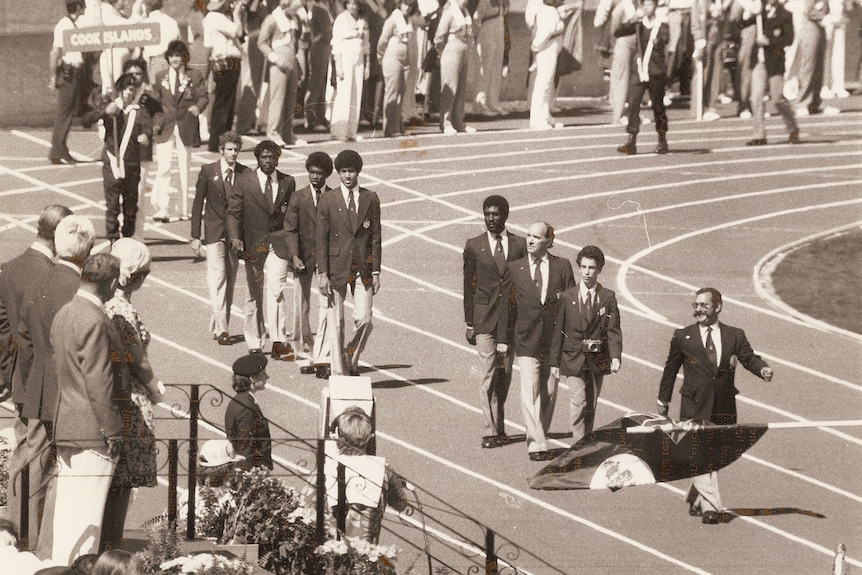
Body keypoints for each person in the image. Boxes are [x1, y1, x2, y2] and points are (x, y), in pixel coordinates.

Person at [657, 287, 775, 524]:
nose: (698, 309)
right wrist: (663, 400)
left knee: (715, 455)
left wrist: (762, 368)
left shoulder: (734, 335)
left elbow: (748, 358)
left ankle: (695, 495)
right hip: (694, 405)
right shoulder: (683, 336)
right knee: (702, 453)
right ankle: (712, 507)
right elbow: (670, 370)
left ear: (718, 307)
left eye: (704, 305)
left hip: (723, 405)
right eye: (696, 305)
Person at [13, 215, 95, 555]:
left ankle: (24, 538)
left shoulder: (39, 284)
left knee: (33, 469)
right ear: (88, 249)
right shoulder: (81, 292)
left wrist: (31, 390)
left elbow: (25, 341)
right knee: (67, 475)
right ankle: (51, 548)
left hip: (39, 391)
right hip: (74, 397)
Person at [49, 253, 125, 564]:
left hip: (66, 424)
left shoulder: (66, 312)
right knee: (87, 517)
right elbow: (100, 383)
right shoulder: (94, 319)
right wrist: (114, 430)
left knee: (68, 514)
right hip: (92, 431)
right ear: (111, 282)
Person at [101, 239, 162, 551]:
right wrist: (156, 390)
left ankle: (109, 543)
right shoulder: (121, 308)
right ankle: (111, 545)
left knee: (116, 480)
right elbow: (138, 360)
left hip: (116, 396)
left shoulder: (106, 302)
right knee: (122, 482)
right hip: (132, 402)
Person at [496, 222, 575, 461]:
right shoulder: (515, 268)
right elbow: (505, 306)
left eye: (537, 237)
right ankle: (537, 443)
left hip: (553, 342)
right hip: (526, 339)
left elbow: (571, 306)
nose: (530, 240)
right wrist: (502, 339)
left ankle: (540, 431)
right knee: (530, 391)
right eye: (529, 236)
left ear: (549, 242)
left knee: (549, 392)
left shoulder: (562, 267)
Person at [462, 195, 526, 449]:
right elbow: (469, 285)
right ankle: (489, 430)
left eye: (495, 214)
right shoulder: (474, 245)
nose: (490, 219)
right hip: (485, 320)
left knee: (505, 373)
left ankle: (499, 425)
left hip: (511, 320)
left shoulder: (520, 245)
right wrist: (469, 322)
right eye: (487, 214)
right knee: (488, 372)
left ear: (505, 216)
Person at [227, 140, 296, 358]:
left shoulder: (287, 182)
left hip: (278, 244)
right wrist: (235, 237)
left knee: (276, 292)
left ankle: (278, 341)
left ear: (277, 158)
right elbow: (234, 212)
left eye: (271, 157)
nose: (268, 161)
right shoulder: (244, 180)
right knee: (253, 293)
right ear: (257, 159)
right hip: (252, 244)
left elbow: (292, 217)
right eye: (263, 157)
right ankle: (254, 341)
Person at [316, 150, 382, 377]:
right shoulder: (328, 199)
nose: (347, 176)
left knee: (364, 318)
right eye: (343, 172)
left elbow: (375, 236)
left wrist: (376, 271)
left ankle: (351, 353)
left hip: (363, 267)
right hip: (336, 266)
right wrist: (322, 272)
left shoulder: (370, 198)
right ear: (337, 173)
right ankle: (338, 371)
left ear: (358, 172)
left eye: (351, 171)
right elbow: (321, 238)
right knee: (336, 323)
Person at [549, 245, 622, 444]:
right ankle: (578, 445)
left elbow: (613, 329)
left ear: (599, 269)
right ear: (578, 268)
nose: (587, 272)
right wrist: (554, 363)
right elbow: (558, 332)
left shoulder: (608, 297)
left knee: (590, 404)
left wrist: (615, 356)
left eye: (592, 268)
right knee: (578, 401)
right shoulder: (567, 297)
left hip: (597, 359)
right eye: (583, 267)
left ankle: (585, 442)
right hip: (573, 358)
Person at [0, 205, 72, 403]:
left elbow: (3, 327)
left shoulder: (9, 267)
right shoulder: (51, 276)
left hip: (18, 377)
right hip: (43, 385)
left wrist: (6, 376)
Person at [191, 131, 249, 345]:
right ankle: (223, 329)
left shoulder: (245, 173)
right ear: (221, 150)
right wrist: (195, 236)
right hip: (214, 233)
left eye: (236, 150)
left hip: (235, 236)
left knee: (231, 281)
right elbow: (198, 204)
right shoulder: (208, 171)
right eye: (229, 150)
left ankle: (218, 323)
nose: (233, 154)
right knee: (218, 279)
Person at [327, 406, 409, 543]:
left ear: (337, 436)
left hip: (328, 549)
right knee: (385, 562)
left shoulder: (326, 465)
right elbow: (400, 504)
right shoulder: (383, 468)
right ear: (369, 438)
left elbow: (307, 503)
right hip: (366, 552)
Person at [151, 40, 209, 222]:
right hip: (165, 126)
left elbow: (203, 96)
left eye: (178, 56)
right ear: (168, 58)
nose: (175, 59)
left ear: (184, 58)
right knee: (163, 167)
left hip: (186, 124)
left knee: (185, 167)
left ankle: (183, 209)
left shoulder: (195, 75)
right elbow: (155, 101)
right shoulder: (161, 76)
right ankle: (162, 208)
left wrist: (197, 108)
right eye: (172, 56)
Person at [285, 151, 334, 363]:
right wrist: (294, 255)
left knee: (326, 303)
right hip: (303, 258)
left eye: (319, 173)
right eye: (311, 172)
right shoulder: (298, 197)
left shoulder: (333, 197)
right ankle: (302, 345)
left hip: (326, 260)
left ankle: (324, 346)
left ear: (327, 174)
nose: (314, 177)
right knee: (301, 304)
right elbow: (290, 229)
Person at [97, 73, 150, 242]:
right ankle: (112, 238)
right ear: (120, 90)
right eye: (127, 89)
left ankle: (127, 237)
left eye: (132, 90)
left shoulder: (138, 112)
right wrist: (106, 112)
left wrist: (146, 134)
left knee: (130, 206)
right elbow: (87, 118)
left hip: (131, 165)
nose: (129, 93)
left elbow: (148, 127)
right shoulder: (112, 108)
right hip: (112, 162)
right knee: (112, 205)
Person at [615, 0, 670, 155]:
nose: (647, 8)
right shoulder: (639, 24)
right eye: (644, 5)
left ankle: (662, 139)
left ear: (655, 7)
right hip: (639, 70)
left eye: (650, 5)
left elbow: (666, 38)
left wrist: (658, 41)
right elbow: (618, 31)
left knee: (658, 107)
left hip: (655, 71)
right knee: (633, 103)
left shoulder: (661, 25)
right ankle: (631, 140)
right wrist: (633, 19)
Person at [742, 0, 800, 146]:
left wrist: (770, 42)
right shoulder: (758, 11)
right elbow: (741, 24)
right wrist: (748, 14)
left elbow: (789, 39)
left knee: (777, 98)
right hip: (758, 61)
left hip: (775, 62)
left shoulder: (785, 14)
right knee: (756, 96)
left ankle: (792, 127)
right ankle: (759, 134)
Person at [258, 0, 308, 148]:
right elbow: (262, 43)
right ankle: (273, 132)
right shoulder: (272, 18)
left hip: (292, 61)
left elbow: (298, 42)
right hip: (279, 63)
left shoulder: (294, 19)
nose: (298, 10)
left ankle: (288, 134)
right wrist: (276, 59)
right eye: (296, 7)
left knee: (290, 100)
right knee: (277, 99)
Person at [48, 0, 88, 165]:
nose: (85, 8)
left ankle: (61, 149)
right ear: (78, 7)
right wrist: (52, 77)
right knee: (64, 113)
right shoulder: (64, 25)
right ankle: (57, 151)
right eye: (83, 5)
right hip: (68, 73)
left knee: (69, 113)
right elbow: (55, 52)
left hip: (75, 73)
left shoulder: (72, 25)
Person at [203, 0, 246, 153]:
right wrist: (236, 13)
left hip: (222, 62)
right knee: (225, 103)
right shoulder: (217, 18)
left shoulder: (211, 17)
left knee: (224, 102)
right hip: (227, 62)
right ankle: (219, 141)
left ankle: (221, 140)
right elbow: (238, 32)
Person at [527, 0, 576, 130]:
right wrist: (536, 45)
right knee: (544, 82)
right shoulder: (549, 11)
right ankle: (537, 119)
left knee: (548, 83)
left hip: (551, 47)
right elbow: (546, 32)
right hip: (547, 48)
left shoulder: (550, 11)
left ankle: (545, 114)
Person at [434, 0, 476, 135]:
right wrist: (440, 51)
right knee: (450, 87)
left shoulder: (465, 12)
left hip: (464, 47)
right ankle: (445, 122)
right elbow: (440, 35)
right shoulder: (450, 11)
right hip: (452, 47)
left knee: (461, 88)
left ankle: (458, 121)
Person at [330, 0, 370, 142]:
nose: (352, 6)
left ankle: (351, 131)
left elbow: (366, 45)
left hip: (358, 60)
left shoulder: (362, 21)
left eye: (355, 4)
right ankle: (339, 131)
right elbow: (336, 43)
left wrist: (367, 65)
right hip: (345, 58)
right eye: (349, 3)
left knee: (356, 93)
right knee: (344, 93)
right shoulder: (341, 19)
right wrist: (338, 65)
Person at [225, 354, 273, 471]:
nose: (267, 377)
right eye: (263, 374)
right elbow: (245, 446)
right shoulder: (246, 408)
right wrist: (248, 476)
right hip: (253, 469)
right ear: (252, 379)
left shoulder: (241, 400)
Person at [378, 0, 417, 137]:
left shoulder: (409, 20)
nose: (407, 7)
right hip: (393, 56)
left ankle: (398, 126)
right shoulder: (393, 19)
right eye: (405, 4)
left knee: (401, 93)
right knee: (392, 93)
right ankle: (389, 128)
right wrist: (381, 56)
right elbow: (382, 41)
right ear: (400, 4)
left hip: (405, 57)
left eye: (410, 5)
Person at [299, 0, 333, 131]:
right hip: (319, 49)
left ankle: (320, 117)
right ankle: (311, 119)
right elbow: (327, 31)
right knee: (316, 84)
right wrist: (317, 38)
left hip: (321, 48)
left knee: (320, 85)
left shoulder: (319, 8)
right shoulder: (318, 9)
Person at [471, 0, 508, 117]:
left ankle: (493, 103)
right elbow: (476, 17)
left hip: (500, 29)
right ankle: (479, 104)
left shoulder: (504, 2)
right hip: (487, 30)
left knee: (496, 68)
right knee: (485, 69)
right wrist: (476, 34)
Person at [137, 0, 182, 79]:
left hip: (153, 61)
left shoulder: (144, 24)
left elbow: (139, 47)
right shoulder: (171, 21)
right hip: (170, 60)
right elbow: (179, 42)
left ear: (146, 7)